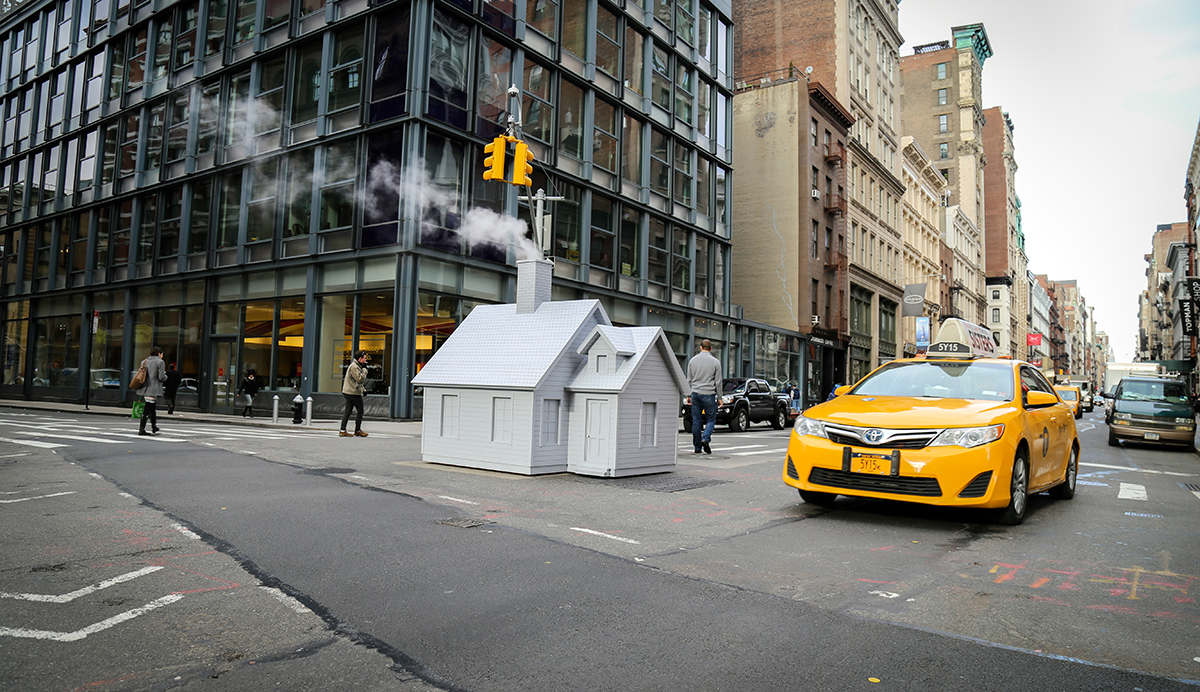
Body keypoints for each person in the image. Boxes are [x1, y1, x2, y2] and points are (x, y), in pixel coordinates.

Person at [686, 339, 722, 455]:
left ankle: (697, 447)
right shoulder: (716, 362)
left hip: (695, 393)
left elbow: (689, 379)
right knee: (711, 419)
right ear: (710, 348)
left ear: (701, 347)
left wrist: (688, 394)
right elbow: (718, 382)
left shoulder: (692, 361)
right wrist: (720, 397)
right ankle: (705, 438)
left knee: (696, 420)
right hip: (709, 394)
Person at [136, 346, 167, 436]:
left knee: (152, 407)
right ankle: (142, 429)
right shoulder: (160, 362)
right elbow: (161, 377)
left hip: (144, 387)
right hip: (153, 388)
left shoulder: (144, 361)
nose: (162, 356)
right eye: (162, 354)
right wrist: (166, 377)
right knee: (148, 408)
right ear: (159, 354)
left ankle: (154, 426)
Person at [340, 350, 369, 438]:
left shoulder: (355, 366)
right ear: (360, 359)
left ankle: (343, 430)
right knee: (360, 410)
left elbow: (356, 382)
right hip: (353, 393)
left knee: (348, 411)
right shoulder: (355, 367)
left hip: (349, 391)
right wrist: (365, 370)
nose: (366, 360)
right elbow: (359, 379)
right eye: (364, 358)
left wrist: (363, 390)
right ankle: (357, 430)